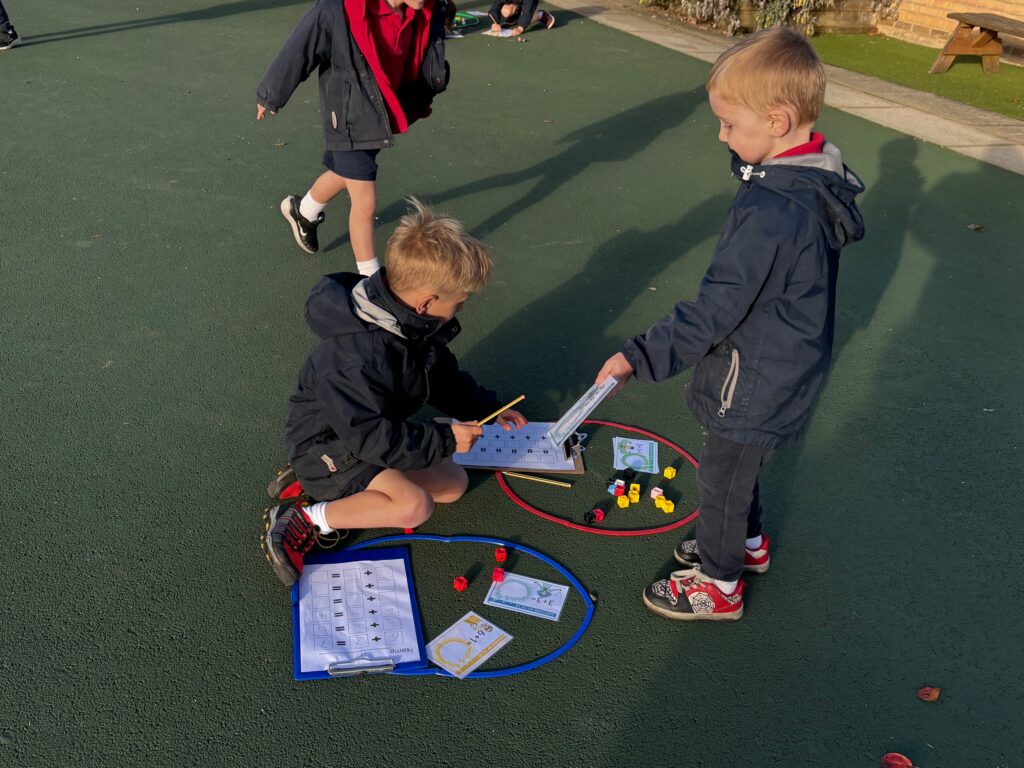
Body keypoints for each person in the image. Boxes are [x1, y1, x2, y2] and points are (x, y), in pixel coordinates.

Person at [595, 27, 864, 621]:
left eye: (729, 124)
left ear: (777, 120)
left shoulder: (774, 212)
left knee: (722, 475)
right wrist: (745, 151)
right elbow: (753, 173)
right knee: (740, 466)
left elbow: (716, 307)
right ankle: (746, 545)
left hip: (760, 372)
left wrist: (640, 355)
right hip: (779, 357)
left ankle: (719, 584)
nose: (721, 136)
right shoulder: (802, 173)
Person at [262, 199, 527, 587]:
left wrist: (489, 406)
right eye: (460, 303)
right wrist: (443, 438)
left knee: (453, 486)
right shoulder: (357, 358)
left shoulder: (411, 322)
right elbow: (369, 438)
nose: (461, 310)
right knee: (413, 507)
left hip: (368, 432)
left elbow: (442, 377)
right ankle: (307, 516)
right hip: (334, 446)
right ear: (426, 303)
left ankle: (321, 484)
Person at [256, 0, 450, 274]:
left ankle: (304, 211)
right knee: (365, 200)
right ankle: (369, 283)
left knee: (345, 172)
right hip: (349, 114)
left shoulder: (422, 11)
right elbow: (300, 48)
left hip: (380, 113)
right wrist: (270, 94)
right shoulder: (339, 9)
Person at [488, 0, 554, 36]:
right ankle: (517, 18)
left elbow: (528, 10)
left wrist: (521, 27)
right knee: (506, 11)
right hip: (516, 3)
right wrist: (494, 22)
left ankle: (540, 15)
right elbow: (495, 7)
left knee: (526, 18)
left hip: (529, 4)